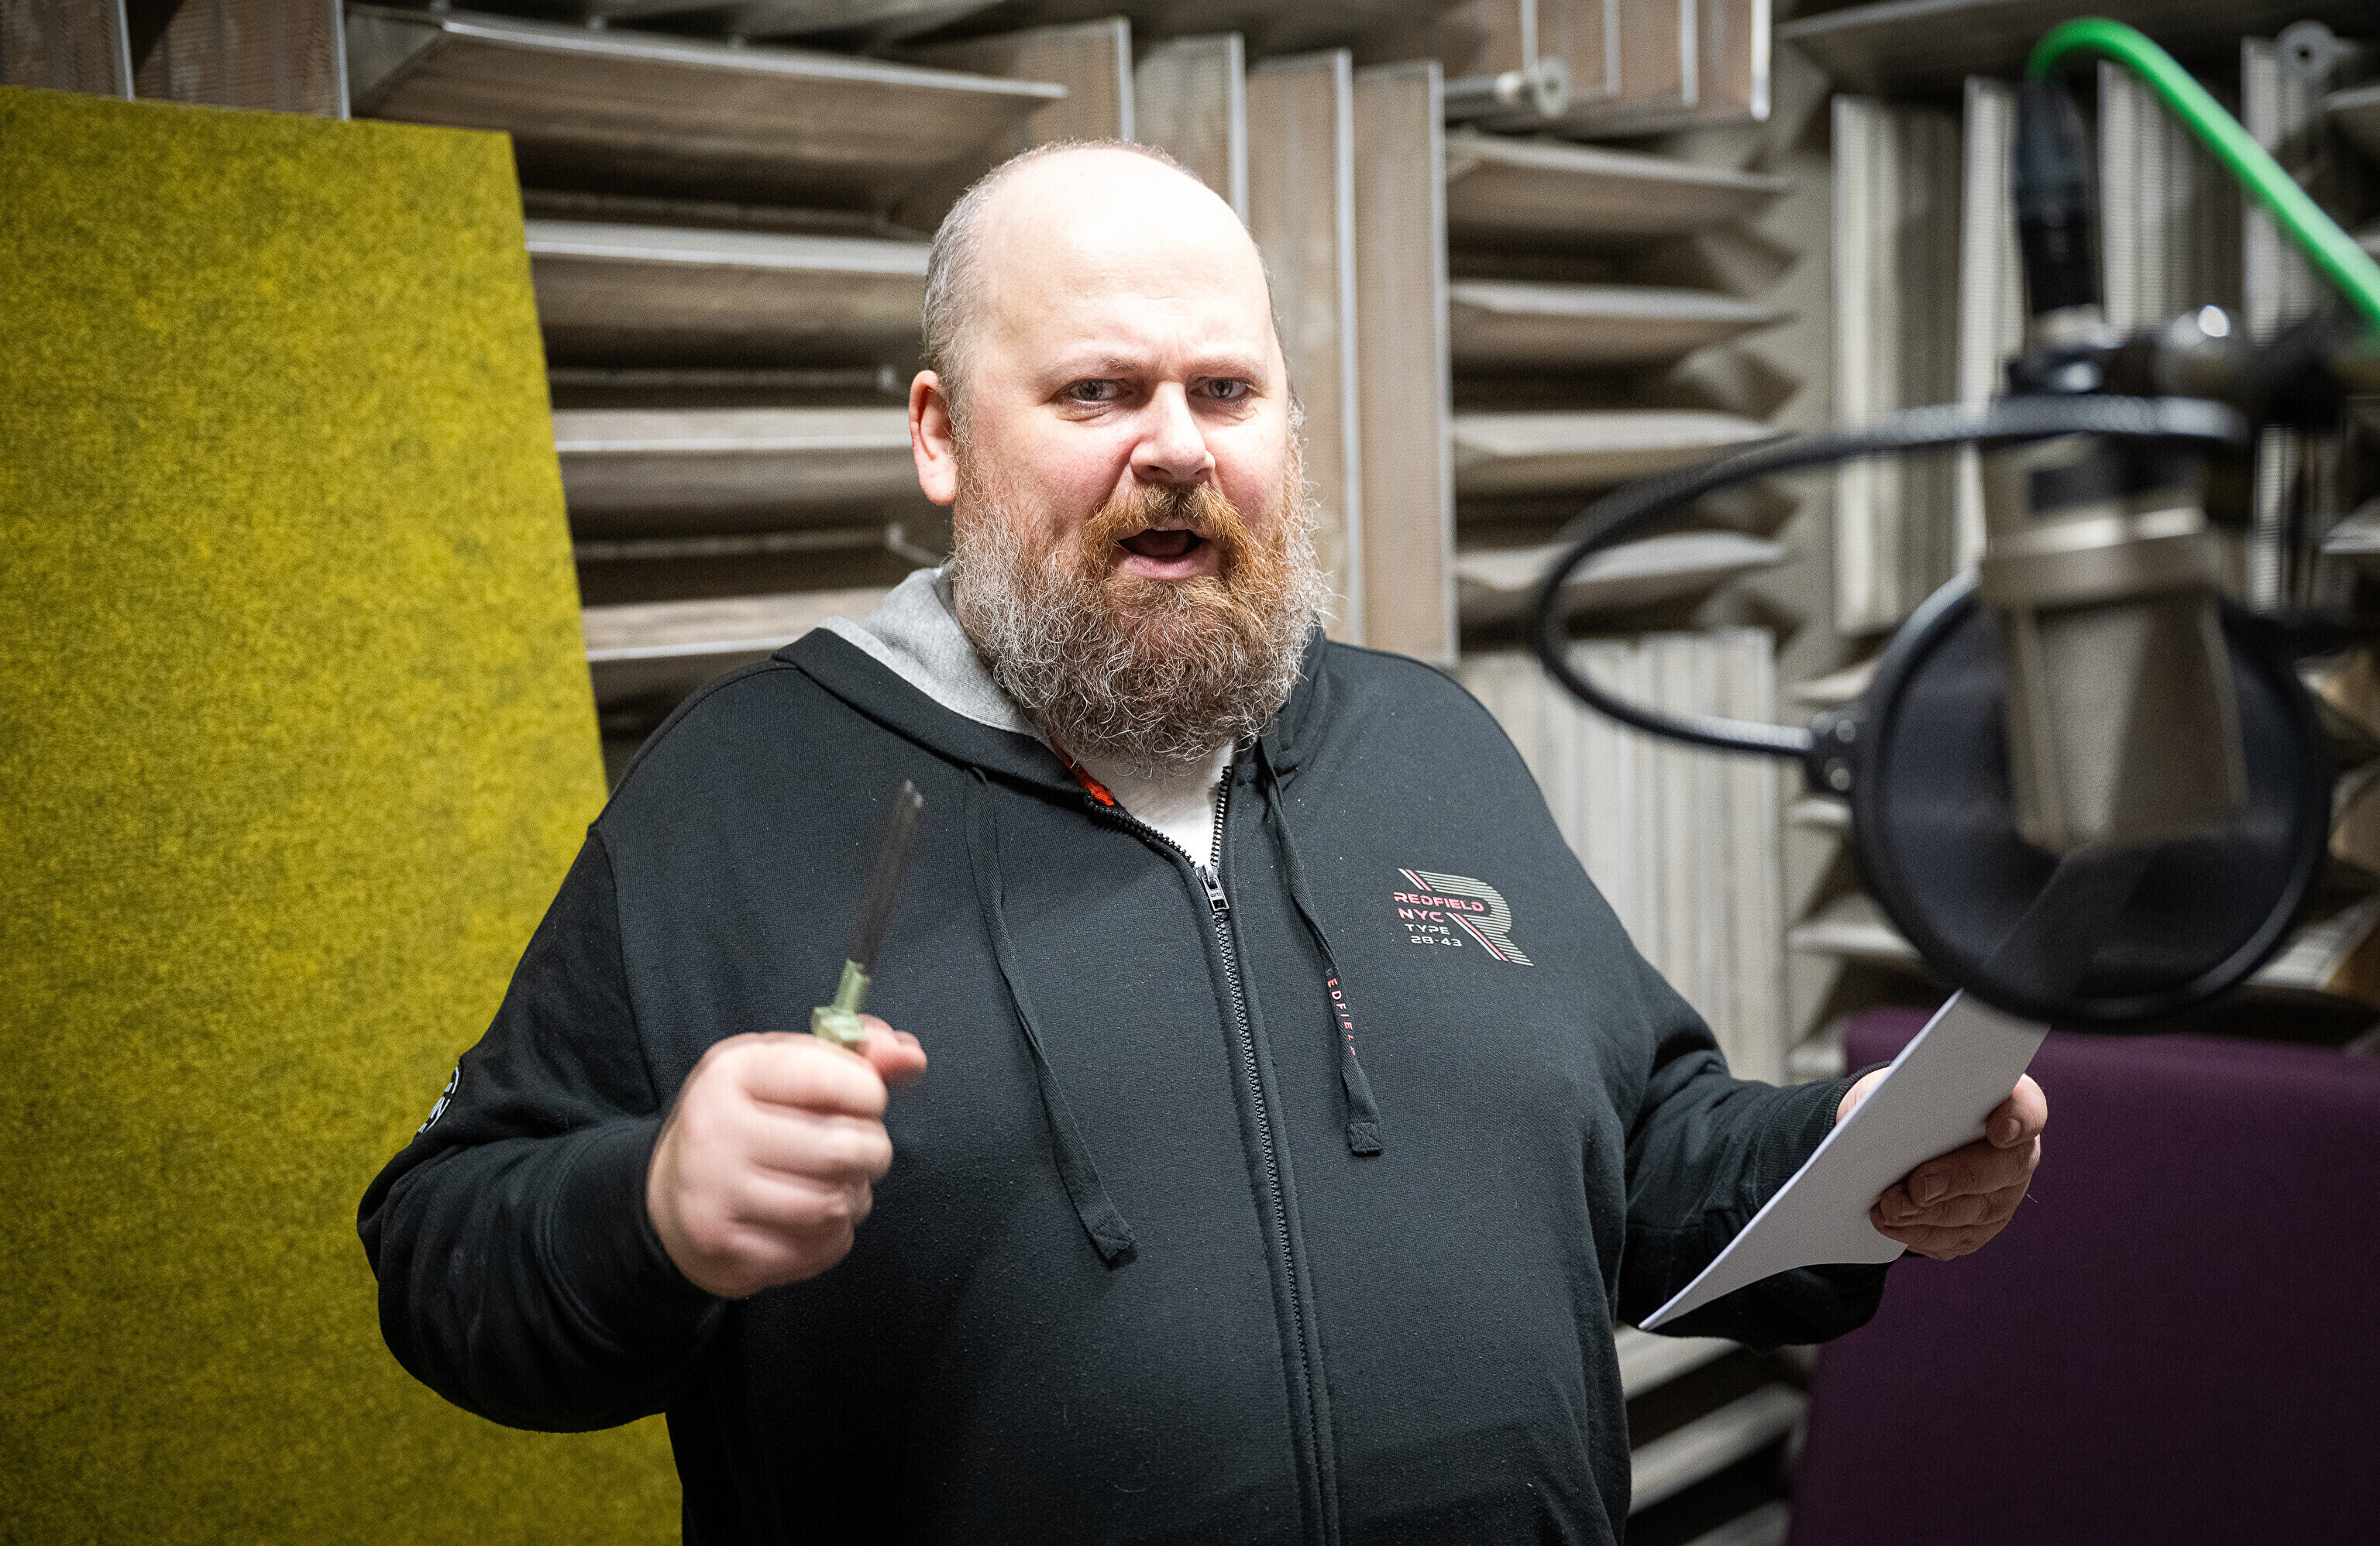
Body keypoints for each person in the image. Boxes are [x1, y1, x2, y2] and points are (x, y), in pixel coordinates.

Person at [360, 142, 2045, 1544]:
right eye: (1097, 390)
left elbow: (1643, 1155)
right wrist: (648, 1209)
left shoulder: (1428, 743)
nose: (1174, 445)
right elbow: (443, 1249)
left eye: (1224, 390)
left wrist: (1849, 1160)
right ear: (941, 434)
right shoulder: (742, 792)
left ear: (1284, 432)